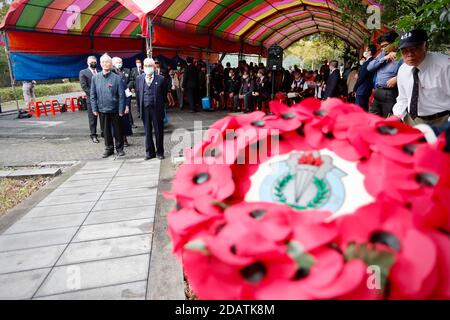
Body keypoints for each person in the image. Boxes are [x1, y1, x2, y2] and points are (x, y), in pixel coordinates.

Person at [393, 29, 450, 126]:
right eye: (404, 51)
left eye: (414, 49)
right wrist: (400, 117)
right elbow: (403, 98)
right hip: (413, 120)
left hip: (442, 119)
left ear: (426, 46)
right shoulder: (403, 69)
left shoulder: (445, 66)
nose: (409, 54)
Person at [91, 54, 125, 158]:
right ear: (100, 64)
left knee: (118, 130)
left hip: (115, 109)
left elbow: (121, 95)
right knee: (105, 131)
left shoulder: (117, 78)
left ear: (111, 64)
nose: (106, 64)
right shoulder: (95, 78)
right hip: (102, 109)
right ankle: (109, 148)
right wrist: (94, 108)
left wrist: (121, 109)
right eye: (103, 62)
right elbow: (93, 94)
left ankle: (119, 149)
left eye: (108, 62)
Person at [136, 58, 167, 160]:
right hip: (145, 108)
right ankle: (150, 152)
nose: (148, 68)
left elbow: (164, 94)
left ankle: (160, 152)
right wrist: (139, 109)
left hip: (157, 109)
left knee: (159, 131)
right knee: (147, 131)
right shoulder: (139, 78)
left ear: (154, 67)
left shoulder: (161, 79)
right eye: (146, 66)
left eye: (150, 66)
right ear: (143, 67)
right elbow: (138, 94)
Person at [367, 31, 403, 117]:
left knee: (387, 121)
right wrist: (385, 57)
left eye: (385, 45)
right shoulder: (382, 54)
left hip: (390, 93)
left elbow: (409, 72)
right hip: (377, 92)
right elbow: (369, 67)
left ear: (394, 43)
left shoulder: (401, 56)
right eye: (381, 47)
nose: (383, 49)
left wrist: (397, 78)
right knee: (373, 118)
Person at [80, 56, 102, 143]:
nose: (94, 63)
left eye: (95, 62)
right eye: (92, 62)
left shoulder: (100, 71)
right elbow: (84, 87)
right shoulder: (83, 72)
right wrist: (94, 95)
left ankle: (104, 133)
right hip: (91, 100)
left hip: (102, 99)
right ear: (88, 63)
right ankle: (93, 135)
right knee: (93, 118)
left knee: (103, 117)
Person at [112, 57, 133, 147]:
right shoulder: (108, 77)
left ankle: (124, 139)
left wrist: (127, 105)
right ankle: (116, 141)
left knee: (123, 123)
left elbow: (128, 94)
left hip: (123, 104)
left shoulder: (122, 81)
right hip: (112, 106)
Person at [354, 45, 377, 111]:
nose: (364, 52)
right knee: (364, 109)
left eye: (366, 50)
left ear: (369, 52)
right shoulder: (371, 61)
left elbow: (362, 77)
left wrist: (355, 88)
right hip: (366, 89)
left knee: (359, 111)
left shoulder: (368, 62)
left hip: (362, 89)